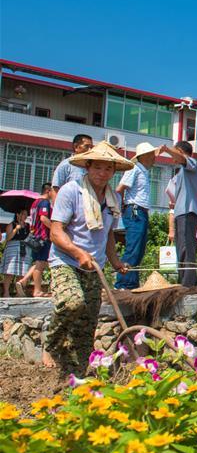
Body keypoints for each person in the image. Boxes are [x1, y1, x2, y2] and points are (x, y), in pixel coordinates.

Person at [44, 142, 130, 375]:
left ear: (114, 171)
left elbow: (108, 234)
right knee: (72, 302)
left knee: (88, 322)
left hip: (95, 266)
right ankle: (51, 344)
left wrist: (115, 262)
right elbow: (56, 232)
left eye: (108, 169)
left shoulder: (114, 198)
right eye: (97, 168)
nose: (102, 173)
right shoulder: (71, 191)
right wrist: (78, 253)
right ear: (88, 167)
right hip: (66, 261)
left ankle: (79, 373)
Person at [160, 141, 197, 287]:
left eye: (174, 152)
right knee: (181, 249)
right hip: (180, 213)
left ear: (179, 151)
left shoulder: (193, 164)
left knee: (186, 248)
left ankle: (188, 284)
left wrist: (166, 150)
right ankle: (186, 281)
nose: (173, 157)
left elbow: (183, 159)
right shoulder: (181, 173)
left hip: (188, 212)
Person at [113, 142, 157, 289]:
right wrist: (119, 208)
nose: (154, 158)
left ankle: (132, 282)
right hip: (134, 210)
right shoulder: (134, 169)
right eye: (152, 154)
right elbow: (120, 189)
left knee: (139, 249)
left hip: (141, 211)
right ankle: (124, 283)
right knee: (133, 247)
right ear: (144, 156)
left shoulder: (143, 171)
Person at [16, 183, 53, 296]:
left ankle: (24, 280)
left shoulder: (35, 203)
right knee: (41, 263)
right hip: (42, 236)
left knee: (40, 262)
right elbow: (43, 218)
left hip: (35, 236)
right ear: (48, 191)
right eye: (53, 191)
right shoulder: (44, 202)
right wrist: (55, 229)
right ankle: (37, 290)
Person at [50, 134, 93, 203]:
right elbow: (55, 189)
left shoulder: (92, 166)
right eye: (87, 146)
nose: (90, 150)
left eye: (91, 147)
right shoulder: (65, 165)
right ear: (76, 147)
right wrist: (57, 208)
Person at [2, 209, 31, 296]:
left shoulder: (27, 225)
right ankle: (6, 292)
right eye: (23, 214)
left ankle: (19, 292)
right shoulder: (12, 224)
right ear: (17, 214)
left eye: (26, 214)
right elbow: (8, 238)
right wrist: (16, 229)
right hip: (13, 248)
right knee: (10, 271)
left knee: (22, 271)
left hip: (24, 248)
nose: (25, 216)